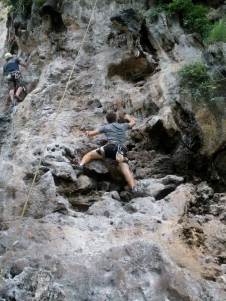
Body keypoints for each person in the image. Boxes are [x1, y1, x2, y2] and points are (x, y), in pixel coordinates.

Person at [73, 112, 140, 196]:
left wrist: (87, 132)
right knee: (126, 171)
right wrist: (128, 117)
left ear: (108, 121)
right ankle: (134, 188)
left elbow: (91, 134)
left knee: (89, 155)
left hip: (110, 147)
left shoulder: (106, 127)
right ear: (116, 119)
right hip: (121, 151)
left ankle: (81, 165)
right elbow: (134, 123)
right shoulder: (123, 126)